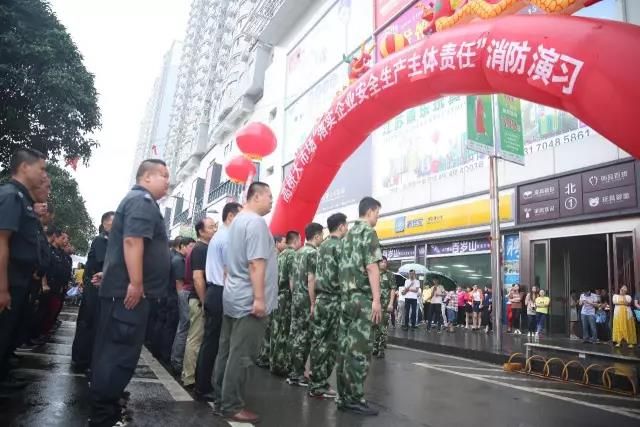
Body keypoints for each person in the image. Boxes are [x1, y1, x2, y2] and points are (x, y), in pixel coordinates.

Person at [89, 159, 170, 427]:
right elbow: (132, 241)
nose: (167, 181)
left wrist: (114, 274)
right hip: (129, 296)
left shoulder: (141, 202)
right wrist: (135, 283)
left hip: (125, 292)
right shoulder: (141, 201)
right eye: (163, 175)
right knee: (118, 356)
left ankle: (108, 408)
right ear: (146, 177)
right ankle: (104, 417)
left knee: (116, 353)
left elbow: (122, 246)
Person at [212, 182, 278, 423]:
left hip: (233, 296)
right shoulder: (255, 223)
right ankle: (231, 405)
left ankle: (221, 399)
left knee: (226, 351)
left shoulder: (237, 222)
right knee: (241, 355)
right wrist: (259, 298)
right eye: (269, 196)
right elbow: (256, 263)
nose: (272, 200)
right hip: (249, 301)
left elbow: (230, 264)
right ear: (256, 196)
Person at [0, 148, 48, 392]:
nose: (44, 175)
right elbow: (2, 242)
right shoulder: (11, 196)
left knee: (7, 331)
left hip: (19, 279)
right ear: (24, 167)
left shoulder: (22, 199)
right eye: (41, 169)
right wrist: (2, 288)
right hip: (9, 278)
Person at [336, 197, 383, 416]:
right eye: (377, 213)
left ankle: (343, 396)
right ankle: (354, 399)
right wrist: (377, 300)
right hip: (362, 300)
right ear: (370, 211)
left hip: (346, 299)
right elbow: (372, 267)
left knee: (345, 349)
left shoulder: (347, 236)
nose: (378, 218)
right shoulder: (368, 232)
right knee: (360, 351)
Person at [195, 202, 242, 401]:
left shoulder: (219, 237)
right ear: (231, 216)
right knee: (214, 343)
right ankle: (204, 387)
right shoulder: (227, 238)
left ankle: (203, 384)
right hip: (221, 292)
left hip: (215, 292)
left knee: (211, 342)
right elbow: (228, 271)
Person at [309, 213, 347, 398]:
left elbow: (314, 276)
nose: (347, 228)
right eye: (346, 225)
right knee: (330, 344)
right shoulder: (341, 246)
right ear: (341, 226)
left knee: (318, 341)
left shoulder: (321, 246)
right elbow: (345, 276)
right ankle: (319, 384)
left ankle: (315, 380)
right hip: (334, 299)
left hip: (321, 299)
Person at [71, 212, 114, 370]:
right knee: (89, 322)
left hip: (98, 286)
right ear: (105, 224)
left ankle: (86, 358)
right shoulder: (101, 240)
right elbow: (105, 263)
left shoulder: (108, 241)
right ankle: (82, 359)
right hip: (95, 286)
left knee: (93, 323)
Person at [181, 217, 217, 389]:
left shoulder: (205, 248)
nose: (214, 229)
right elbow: (197, 277)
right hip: (198, 299)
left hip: (199, 298)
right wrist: (204, 302)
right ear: (201, 231)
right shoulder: (201, 249)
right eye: (211, 227)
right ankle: (189, 377)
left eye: (215, 226)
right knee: (195, 338)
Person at [287, 222, 322, 387]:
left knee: (295, 333)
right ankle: (299, 374)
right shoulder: (313, 253)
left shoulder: (297, 253)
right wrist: (313, 303)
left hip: (296, 297)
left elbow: (292, 279)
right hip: (306, 298)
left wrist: (295, 294)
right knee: (305, 336)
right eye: (321, 235)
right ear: (317, 236)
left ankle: (293, 371)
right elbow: (311, 279)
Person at [269, 231, 300, 377]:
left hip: (278, 294)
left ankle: (272, 361)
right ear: (296, 240)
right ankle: (280, 364)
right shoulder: (292, 255)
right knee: (284, 330)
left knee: (276, 329)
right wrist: (295, 297)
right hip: (286, 296)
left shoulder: (281, 255)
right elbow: (292, 280)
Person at [256, 234, 286, 368]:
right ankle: (267, 357)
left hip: (267, 294)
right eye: (284, 242)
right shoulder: (274, 256)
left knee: (267, 328)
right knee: (271, 328)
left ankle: (263, 356)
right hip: (270, 295)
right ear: (277, 243)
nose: (285, 244)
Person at [372, 256, 396, 357]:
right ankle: (375, 346)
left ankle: (381, 349)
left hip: (385, 304)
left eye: (385, 262)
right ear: (378, 263)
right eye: (382, 262)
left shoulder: (390, 275)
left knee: (383, 327)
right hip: (374, 304)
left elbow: (393, 289)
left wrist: (391, 303)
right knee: (374, 326)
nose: (383, 264)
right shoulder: (373, 274)